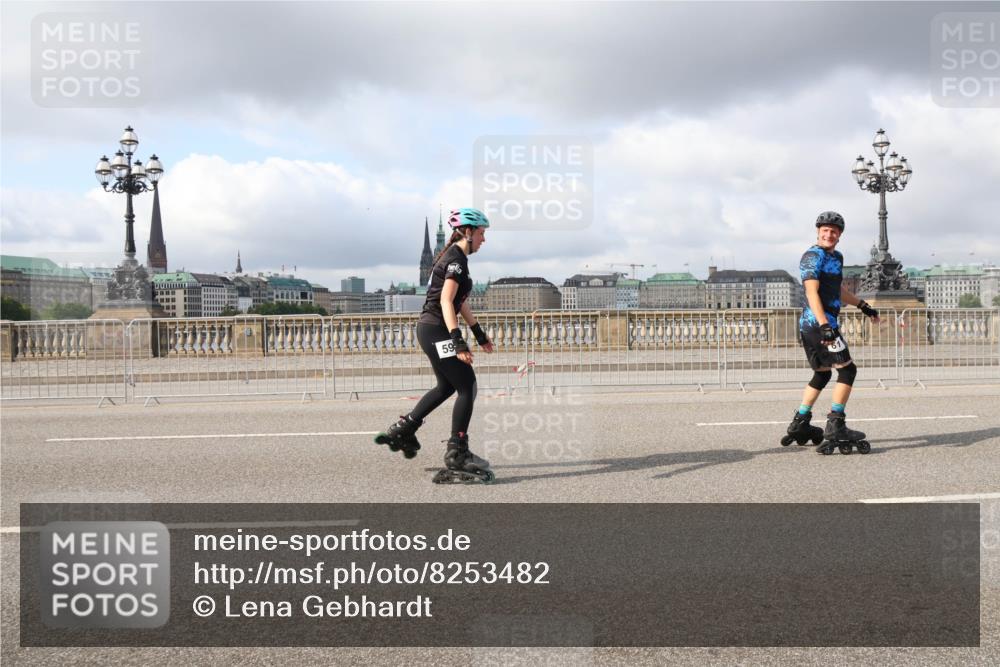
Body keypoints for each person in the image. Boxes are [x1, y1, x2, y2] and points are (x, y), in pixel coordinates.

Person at [374, 208, 496, 482]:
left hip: (432, 330)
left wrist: (478, 333)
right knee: (467, 386)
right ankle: (457, 453)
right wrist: (458, 341)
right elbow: (445, 301)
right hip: (436, 331)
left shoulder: (455, 257)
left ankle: (404, 429)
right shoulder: (456, 260)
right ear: (468, 232)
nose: (484, 239)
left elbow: (460, 301)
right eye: (481, 233)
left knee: (447, 386)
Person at [785, 211, 880, 454]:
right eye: (825, 230)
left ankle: (800, 421)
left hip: (815, 325)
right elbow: (811, 292)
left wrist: (863, 306)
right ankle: (836, 424)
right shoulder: (812, 256)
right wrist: (825, 325)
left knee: (822, 373)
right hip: (819, 325)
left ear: (839, 235)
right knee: (848, 370)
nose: (829, 234)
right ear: (818, 232)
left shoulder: (836, 257)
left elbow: (836, 289)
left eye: (834, 231)